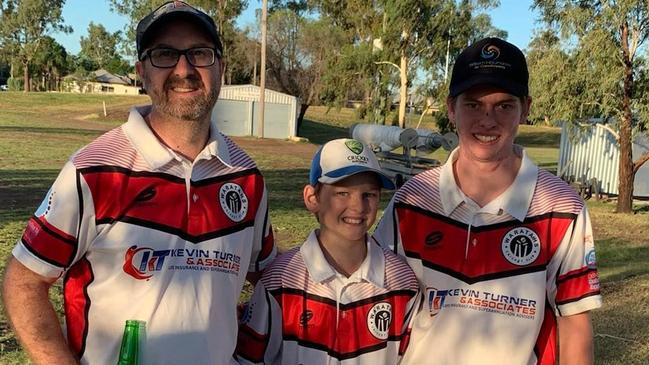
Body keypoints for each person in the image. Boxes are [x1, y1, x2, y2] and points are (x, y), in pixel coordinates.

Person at [2, 2, 276, 364]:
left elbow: (271, 276)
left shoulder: (246, 179)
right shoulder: (94, 170)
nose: (184, 69)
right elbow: (24, 282)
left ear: (221, 68)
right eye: (164, 54)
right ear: (140, 72)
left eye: (199, 53)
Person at [372, 37, 602, 365]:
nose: (488, 120)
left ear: (526, 108)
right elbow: (379, 302)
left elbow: (574, 323)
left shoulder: (562, 207)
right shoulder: (413, 200)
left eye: (504, 105)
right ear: (451, 108)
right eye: (473, 104)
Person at [236, 138, 420, 365]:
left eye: (369, 194)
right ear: (312, 198)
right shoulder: (281, 281)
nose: (358, 207)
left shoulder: (402, 283)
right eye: (342, 193)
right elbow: (249, 359)